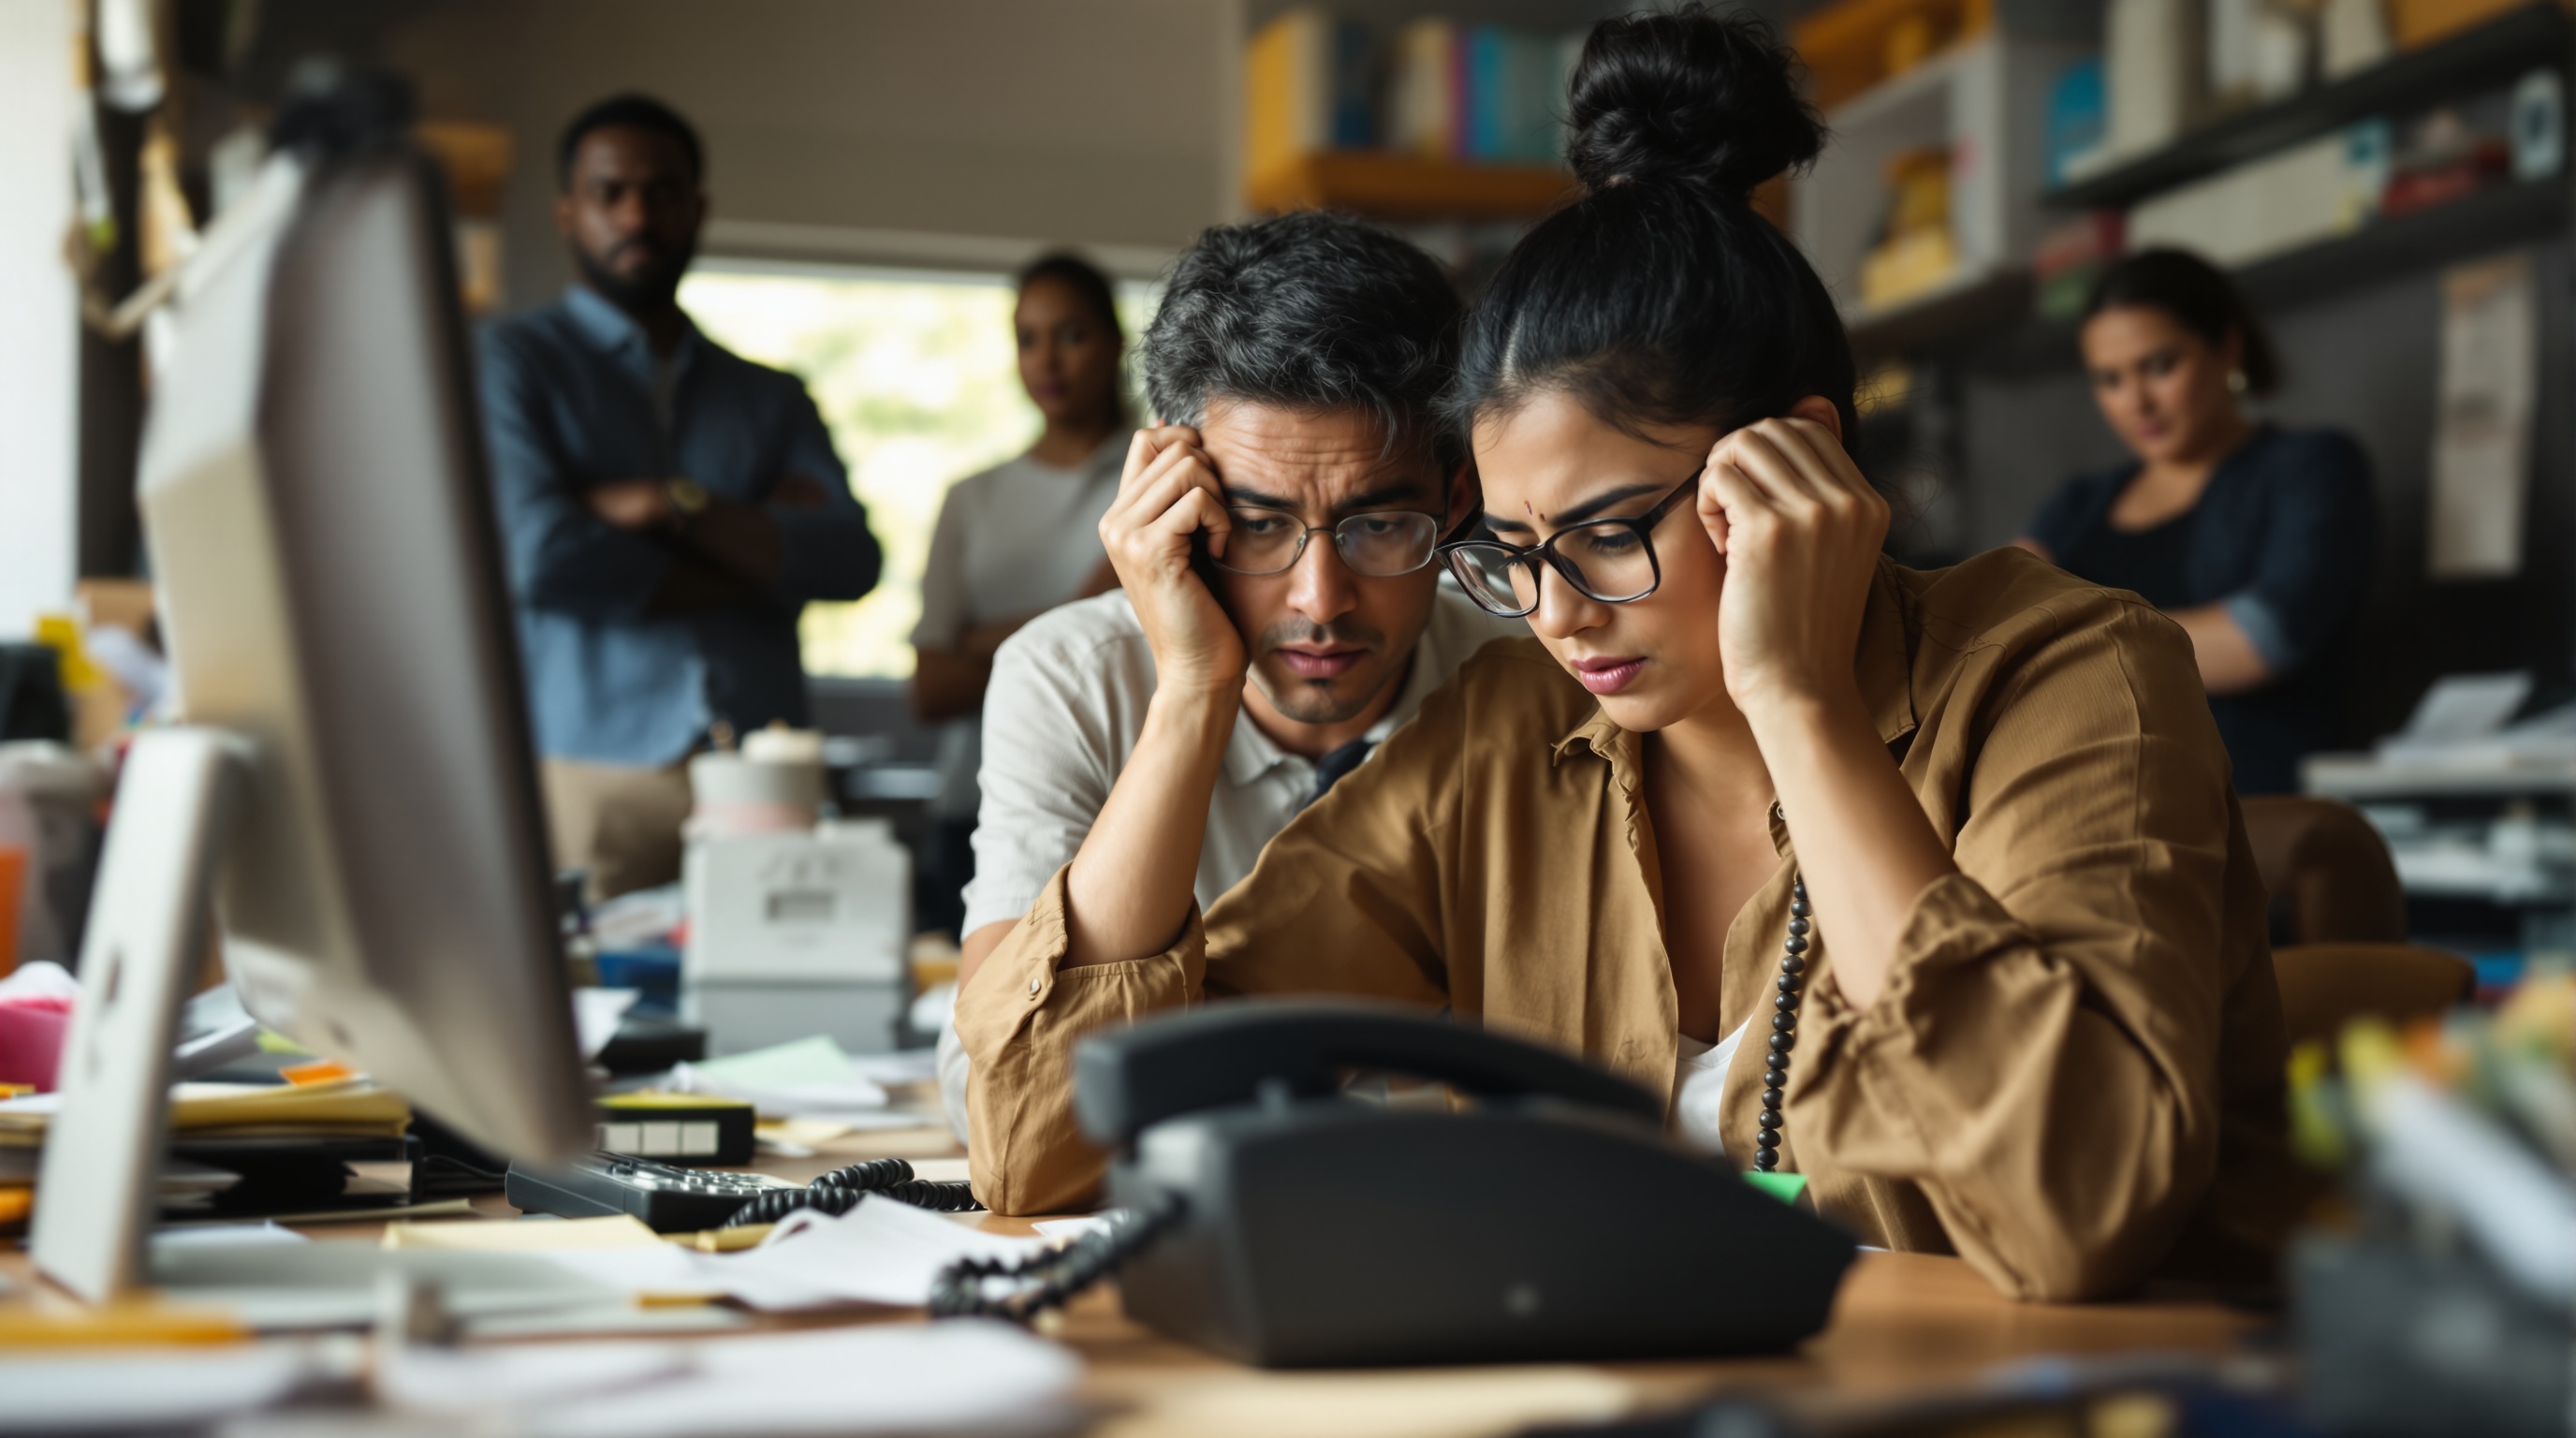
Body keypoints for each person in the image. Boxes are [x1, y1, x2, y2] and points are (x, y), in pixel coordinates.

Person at [956, 8, 2299, 1303]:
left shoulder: (2070, 677)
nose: (1558, 614)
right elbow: (1038, 1148)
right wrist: (1195, 688)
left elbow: (2081, 1212)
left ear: (1801, 464)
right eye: (1516, 550)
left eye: (1607, 534)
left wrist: (1802, 705)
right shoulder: (1506, 735)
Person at [934, 211, 1522, 1137]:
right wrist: (1193, 690)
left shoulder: (1523, 683)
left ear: (1456, 499)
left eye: (1377, 525)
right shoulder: (1070, 679)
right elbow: (991, 1098)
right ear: (1172, 492)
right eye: (1258, 525)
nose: (1319, 600)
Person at [479, 95, 881, 898]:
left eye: (661, 192)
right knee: (585, 1009)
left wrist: (672, 505)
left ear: (697, 210)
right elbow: (540, 556)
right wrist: (758, 555)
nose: (637, 214)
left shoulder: (772, 397)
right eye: (609, 192)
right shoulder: (510, 363)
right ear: (568, 211)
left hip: (769, 772)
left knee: (787, 1003)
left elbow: (850, 559)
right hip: (590, 769)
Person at [2016, 249, 2374, 795]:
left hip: (2253, 810)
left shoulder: (2309, 466)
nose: (2136, 402)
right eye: (2109, 380)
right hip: (2090, 805)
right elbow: (2002, 632)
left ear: (2227, 348)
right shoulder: (2076, 504)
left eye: (2159, 366)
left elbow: (2264, 637)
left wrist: (2064, 645)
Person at [909, 254, 1133, 935]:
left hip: (1121, 792)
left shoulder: (1160, 472)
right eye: (1027, 338)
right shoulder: (972, 499)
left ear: (1116, 341)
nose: (1048, 361)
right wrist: (1080, 614)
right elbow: (930, 690)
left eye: (1071, 334)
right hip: (976, 800)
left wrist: (985, 639)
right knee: (981, 1018)